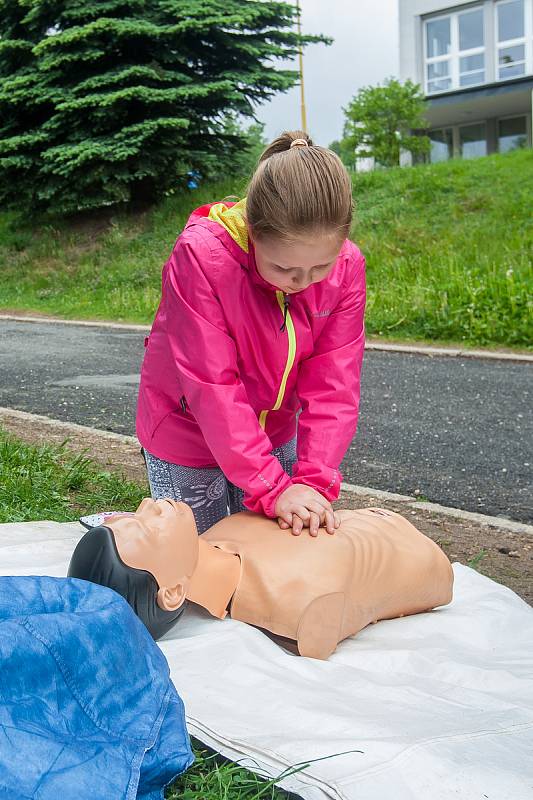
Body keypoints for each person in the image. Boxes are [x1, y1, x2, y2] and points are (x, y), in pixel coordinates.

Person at [136, 130, 366, 536]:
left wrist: (311, 482)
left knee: (277, 560)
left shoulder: (347, 267)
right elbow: (212, 384)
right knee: (199, 561)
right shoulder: (201, 257)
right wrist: (271, 487)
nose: (302, 283)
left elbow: (334, 385)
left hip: (275, 432)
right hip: (187, 436)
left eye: (320, 268)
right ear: (252, 232)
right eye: (283, 268)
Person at [68, 499, 454, 660]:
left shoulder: (217, 535)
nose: (149, 505)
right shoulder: (299, 604)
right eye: (147, 529)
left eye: (132, 514)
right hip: (418, 551)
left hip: (372, 520)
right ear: (172, 594)